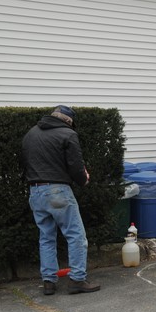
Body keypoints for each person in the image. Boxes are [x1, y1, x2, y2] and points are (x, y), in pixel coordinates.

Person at [21, 105, 100, 295]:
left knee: (46, 237)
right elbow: (76, 166)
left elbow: (24, 163)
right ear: (69, 121)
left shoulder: (31, 133)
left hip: (35, 190)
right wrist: (84, 179)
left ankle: (49, 282)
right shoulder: (68, 134)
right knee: (76, 235)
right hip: (58, 191)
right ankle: (77, 279)